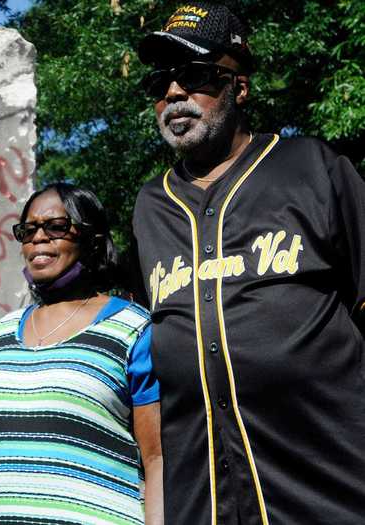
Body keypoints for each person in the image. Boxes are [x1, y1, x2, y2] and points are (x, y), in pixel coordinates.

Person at [131, 2, 365, 524]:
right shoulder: (151, 205)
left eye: (195, 76)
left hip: (328, 495)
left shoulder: (313, 168)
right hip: (204, 504)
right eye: (160, 82)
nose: (173, 93)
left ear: (239, 86)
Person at [0, 182, 163, 525]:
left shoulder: (132, 328)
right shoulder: (4, 331)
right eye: (27, 230)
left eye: (56, 227)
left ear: (91, 239)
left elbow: (156, 460)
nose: (38, 238)